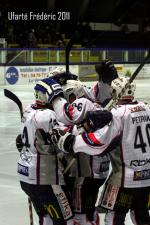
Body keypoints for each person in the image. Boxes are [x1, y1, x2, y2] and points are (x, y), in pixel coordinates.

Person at [49, 77, 150, 225]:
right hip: (147, 177)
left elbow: (100, 143)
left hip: (124, 179)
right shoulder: (147, 108)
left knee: (113, 218)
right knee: (141, 216)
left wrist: (72, 142)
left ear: (115, 92)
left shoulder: (118, 113)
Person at [44, 60, 118, 225]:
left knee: (81, 215)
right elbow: (101, 96)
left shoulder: (76, 100)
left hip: (86, 172)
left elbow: (65, 129)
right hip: (95, 170)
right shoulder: (85, 98)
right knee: (87, 213)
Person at [16, 78, 74, 225]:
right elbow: (64, 138)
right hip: (45, 179)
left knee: (45, 217)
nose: (56, 100)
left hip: (25, 176)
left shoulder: (28, 110)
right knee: (64, 220)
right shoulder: (47, 115)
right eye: (54, 96)